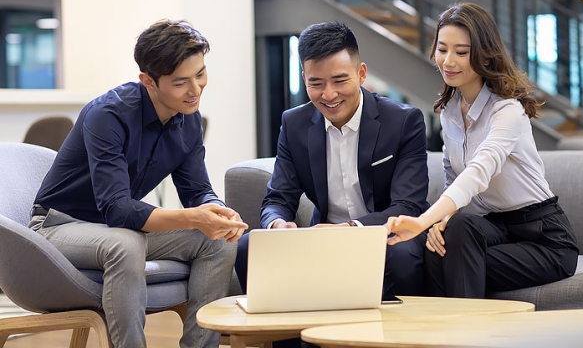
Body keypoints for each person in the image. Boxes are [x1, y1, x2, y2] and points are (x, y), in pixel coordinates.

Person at [28, 19, 248, 348]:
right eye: (181, 82)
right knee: (126, 243)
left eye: (200, 74)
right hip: (58, 225)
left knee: (217, 241)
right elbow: (118, 209)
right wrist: (193, 217)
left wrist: (215, 210)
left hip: (115, 227)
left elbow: (196, 192)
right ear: (148, 81)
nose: (196, 90)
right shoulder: (108, 115)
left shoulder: (188, 120)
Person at [385, 2, 579, 298]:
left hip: (544, 237)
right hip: (494, 229)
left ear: (484, 53)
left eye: (461, 52)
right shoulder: (449, 111)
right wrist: (442, 221)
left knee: (448, 259)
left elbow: (478, 172)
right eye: (442, 49)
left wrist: (424, 221)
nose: (448, 61)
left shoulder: (507, 110)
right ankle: (444, 335)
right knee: (449, 235)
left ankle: (460, 337)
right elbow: (454, 179)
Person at [235, 21, 430, 301]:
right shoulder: (294, 125)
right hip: (321, 238)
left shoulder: (402, 121)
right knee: (248, 247)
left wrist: (349, 230)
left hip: (385, 235)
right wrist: (278, 225)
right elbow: (278, 199)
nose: (329, 95)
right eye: (317, 83)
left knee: (403, 255)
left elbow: (408, 205)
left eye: (340, 81)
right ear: (304, 79)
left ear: (361, 74)